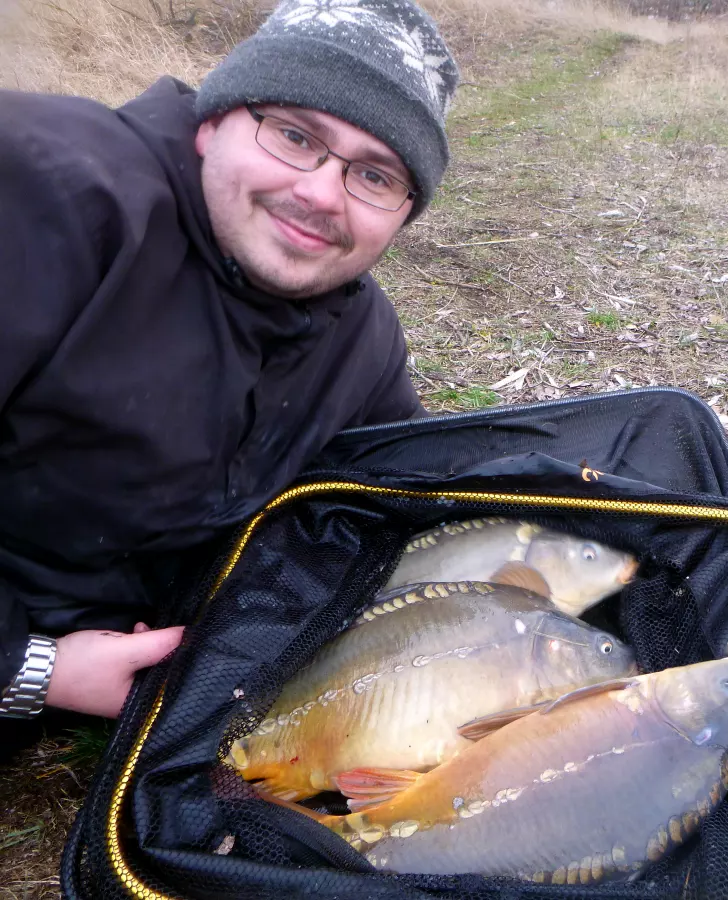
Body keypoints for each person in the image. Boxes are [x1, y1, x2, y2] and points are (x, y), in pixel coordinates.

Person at [0, 0, 459, 727]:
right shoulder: (43, 191)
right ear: (211, 122)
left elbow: (395, 498)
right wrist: (31, 667)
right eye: (295, 135)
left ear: (404, 212)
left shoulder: (362, 338)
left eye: (374, 177)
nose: (319, 194)